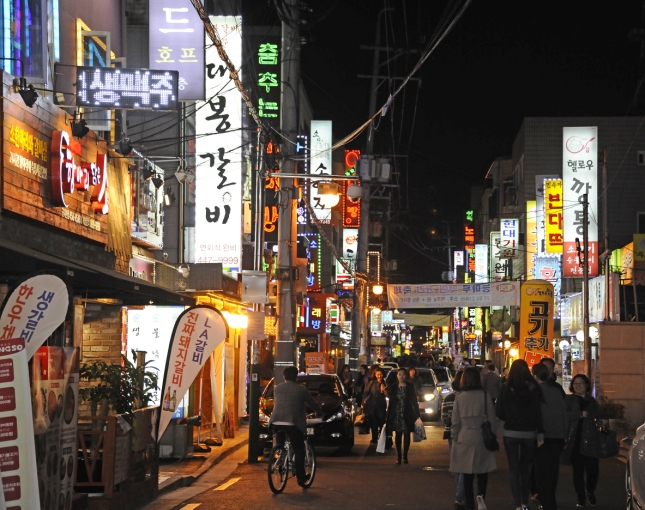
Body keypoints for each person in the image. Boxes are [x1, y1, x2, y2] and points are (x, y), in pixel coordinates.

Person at [495, 359, 544, 510]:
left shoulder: (505, 387)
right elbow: (538, 412)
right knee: (525, 469)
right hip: (529, 433)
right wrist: (540, 432)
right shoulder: (534, 388)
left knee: (514, 469)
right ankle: (524, 502)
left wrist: (509, 418)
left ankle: (517, 504)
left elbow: (499, 411)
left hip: (511, 432)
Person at [449, 367, 498, 510]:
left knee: (467, 474)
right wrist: (492, 434)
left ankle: (469, 503)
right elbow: (492, 419)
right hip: (481, 436)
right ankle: (481, 498)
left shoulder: (460, 397)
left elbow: (455, 422)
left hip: (464, 435)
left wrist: (455, 437)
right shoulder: (485, 396)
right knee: (483, 471)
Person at [269, 366, 323, 488]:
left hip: (276, 422)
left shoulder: (277, 388)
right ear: (296, 377)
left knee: (280, 444)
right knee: (299, 449)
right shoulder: (301, 390)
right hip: (292, 423)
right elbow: (312, 403)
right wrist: (319, 413)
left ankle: (280, 460)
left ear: (284, 377)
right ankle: (301, 477)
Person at [562, 374, 606, 508]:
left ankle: (590, 491)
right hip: (575, 440)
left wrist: (603, 420)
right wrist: (580, 414)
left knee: (593, 470)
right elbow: (563, 415)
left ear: (586, 385)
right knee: (578, 472)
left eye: (581, 383)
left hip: (591, 441)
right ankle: (581, 497)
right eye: (575, 383)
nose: (578, 385)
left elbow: (601, 416)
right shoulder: (568, 400)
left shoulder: (592, 401)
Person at [530, 363, 567, 510]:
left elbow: (536, 416)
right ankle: (550, 501)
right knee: (553, 471)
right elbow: (564, 414)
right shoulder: (556, 391)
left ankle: (548, 503)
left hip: (542, 437)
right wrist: (564, 435)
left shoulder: (535, 391)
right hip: (558, 436)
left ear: (535, 376)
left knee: (541, 473)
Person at [442, 370, 467, 509]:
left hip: (451, 433)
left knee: (457, 465)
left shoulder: (448, 398)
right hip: (466, 433)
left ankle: (460, 495)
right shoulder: (468, 398)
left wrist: (450, 421)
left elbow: (444, 418)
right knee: (464, 466)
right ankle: (460, 496)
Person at [385, 368, 420, 464]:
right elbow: (390, 402)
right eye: (399, 374)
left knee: (407, 433)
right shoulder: (393, 387)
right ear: (397, 376)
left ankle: (405, 455)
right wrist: (388, 415)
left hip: (407, 413)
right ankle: (399, 455)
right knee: (398, 434)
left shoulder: (410, 386)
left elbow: (414, 401)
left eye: (403, 374)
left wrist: (417, 415)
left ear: (406, 376)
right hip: (396, 413)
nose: (401, 376)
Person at [363, 367, 387, 444]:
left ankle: (382, 438)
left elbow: (388, 395)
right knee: (373, 423)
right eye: (378, 374)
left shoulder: (385, 383)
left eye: (381, 374)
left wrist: (384, 390)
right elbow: (366, 392)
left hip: (381, 406)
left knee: (382, 423)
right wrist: (364, 402)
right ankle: (374, 438)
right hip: (372, 406)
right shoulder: (372, 383)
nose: (379, 376)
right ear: (375, 375)